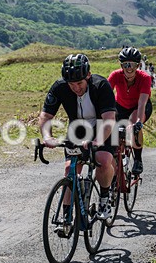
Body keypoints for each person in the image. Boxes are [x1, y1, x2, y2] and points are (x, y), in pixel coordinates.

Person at [39, 54, 117, 220]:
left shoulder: (101, 85)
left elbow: (109, 119)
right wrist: (47, 137)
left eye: (79, 83)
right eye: (71, 84)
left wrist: (97, 141)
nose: (76, 88)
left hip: (103, 127)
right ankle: (66, 217)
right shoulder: (59, 87)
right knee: (70, 170)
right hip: (78, 129)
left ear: (88, 75)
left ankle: (105, 199)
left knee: (103, 160)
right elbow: (45, 116)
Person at [108, 47, 152, 175]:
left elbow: (142, 103)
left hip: (139, 106)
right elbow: (105, 95)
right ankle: (116, 162)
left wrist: (138, 122)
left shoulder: (145, 78)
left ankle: (138, 159)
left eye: (132, 64)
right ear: (121, 65)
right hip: (120, 106)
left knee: (133, 123)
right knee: (114, 133)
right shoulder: (115, 75)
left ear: (138, 65)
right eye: (126, 64)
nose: (129, 68)